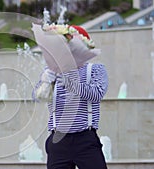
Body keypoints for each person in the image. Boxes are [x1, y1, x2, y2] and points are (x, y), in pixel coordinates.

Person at [34, 26, 108, 169]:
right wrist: (44, 83)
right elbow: (36, 98)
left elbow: (97, 94)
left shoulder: (95, 69)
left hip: (85, 139)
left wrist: (72, 85)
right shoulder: (51, 71)